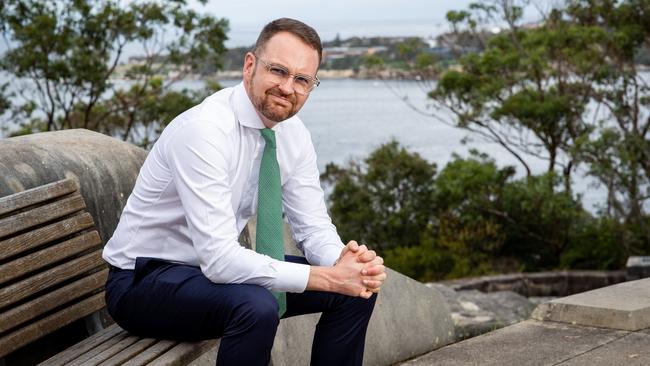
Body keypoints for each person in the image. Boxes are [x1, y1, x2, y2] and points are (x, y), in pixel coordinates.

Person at [102, 17, 387, 366]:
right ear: (250, 65)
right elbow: (220, 259)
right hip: (142, 282)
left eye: (302, 79)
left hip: (208, 278)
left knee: (357, 292)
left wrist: (344, 265)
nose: (287, 87)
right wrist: (327, 278)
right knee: (256, 306)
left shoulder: (293, 136)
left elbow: (313, 227)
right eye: (278, 71)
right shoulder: (204, 131)